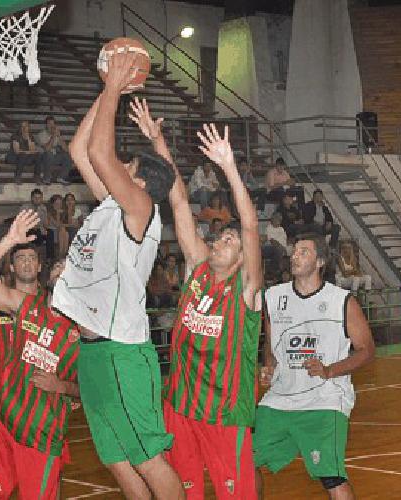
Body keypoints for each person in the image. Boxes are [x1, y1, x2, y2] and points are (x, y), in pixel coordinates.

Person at [52, 52, 181, 498]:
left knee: (147, 458)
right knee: (120, 463)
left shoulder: (142, 208)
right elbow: (80, 149)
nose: (120, 165)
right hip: (93, 353)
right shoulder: (112, 205)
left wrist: (112, 88)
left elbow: (99, 152)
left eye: (130, 167)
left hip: (123, 352)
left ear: (142, 183)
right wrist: (108, 87)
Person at [154, 113, 265, 499]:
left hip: (225, 413)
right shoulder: (197, 272)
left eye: (230, 240)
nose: (221, 239)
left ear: (241, 258)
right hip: (181, 407)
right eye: (220, 236)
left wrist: (229, 166)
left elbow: (251, 227)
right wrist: (159, 142)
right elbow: (180, 202)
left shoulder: (246, 289)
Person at [0, 219, 81, 499]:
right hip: (5, 411)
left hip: (42, 424)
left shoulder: (83, 328)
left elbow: (92, 388)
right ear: (13, 266)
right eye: (21, 258)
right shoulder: (20, 306)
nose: (28, 263)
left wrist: (65, 388)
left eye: (33, 258)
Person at [255, 234, 376, 499]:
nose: (295, 256)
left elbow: (367, 350)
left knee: (331, 478)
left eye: (303, 252)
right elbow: (272, 343)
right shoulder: (274, 297)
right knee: (243, 460)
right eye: (294, 251)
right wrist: (269, 366)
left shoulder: (342, 301)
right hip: (280, 398)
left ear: (320, 261)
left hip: (325, 399)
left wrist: (330, 370)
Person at [35, 115, 75, 185]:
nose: (51, 126)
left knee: (68, 156)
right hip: (43, 158)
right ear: (46, 125)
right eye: (49, 124)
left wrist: (59, 137)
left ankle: (61, 177)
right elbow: (47, 149)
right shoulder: (41, 135)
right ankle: (46, 178)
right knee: (49, 154)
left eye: (53, 124)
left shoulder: (56, 135)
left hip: (54, 157)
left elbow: (66, 149)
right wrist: (53, 136)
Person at [8, 120, 42, 185]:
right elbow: (17, 151)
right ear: (20, 127)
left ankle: (37, 176)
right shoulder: (15, 136)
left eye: (26, 126)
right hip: (14, 157)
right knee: (22, 154)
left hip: (25, 157)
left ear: (29, 127)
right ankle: (17, 176)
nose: (24, 128)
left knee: (38, 155)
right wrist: (27, 152)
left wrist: (28, 138)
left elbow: (32, 150)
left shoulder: (31, 136)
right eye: (22, 126)